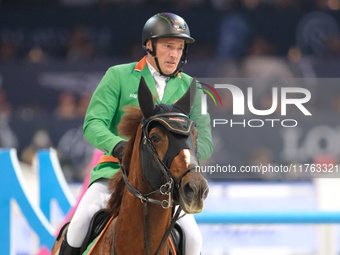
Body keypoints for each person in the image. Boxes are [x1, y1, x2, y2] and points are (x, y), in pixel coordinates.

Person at [59, 12, 213, 255]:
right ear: (150, 46)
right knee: (79, 224)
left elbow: (205, 140)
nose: (175, 54)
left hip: (167, 184)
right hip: (114, 174)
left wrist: (182, 159)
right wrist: (122, 148)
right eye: (168, 46)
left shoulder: (194, 88)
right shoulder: (118, 75)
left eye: (180, 48)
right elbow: (93, 124)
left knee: (194, 240)